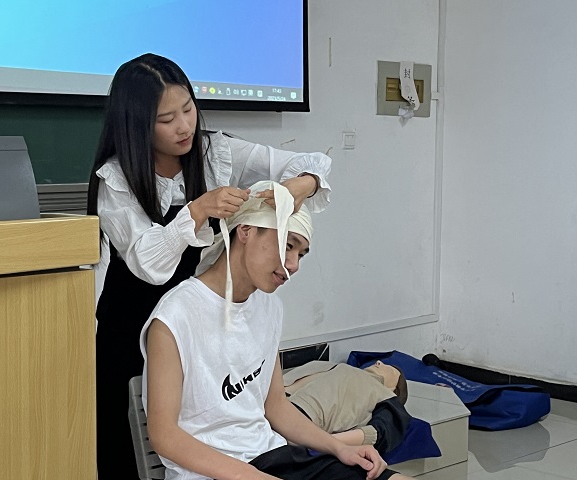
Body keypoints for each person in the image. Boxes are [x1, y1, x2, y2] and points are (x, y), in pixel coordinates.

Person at [86, 53, 332, 478]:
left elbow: (313, 163)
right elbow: (149, 263)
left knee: (202, 428)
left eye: (188, 109)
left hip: (198, 320)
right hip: (128, 327)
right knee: (127, 447)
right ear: (137, 125)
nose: (184, 126)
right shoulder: (117, 180)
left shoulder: (215, 152)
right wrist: (197, 210)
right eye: (166, 119)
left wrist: (299, 186)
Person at [140, 182, 414, 480]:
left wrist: (339, 448)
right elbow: (164, 436)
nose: (293, 265)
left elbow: (276, 407)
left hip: (272, 457)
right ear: (245, 231)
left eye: (301, 254)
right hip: (210, 472)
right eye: (287, 245)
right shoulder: (176, 314)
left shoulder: (269, 308)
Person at [283, 360, 411, 453]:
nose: (378, 362)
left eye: (388, 369)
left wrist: (321, 441)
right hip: (276, 405)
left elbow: (381, 431)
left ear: (393, 389)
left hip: (299, 422)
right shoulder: (339, 368)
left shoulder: (384, 395)